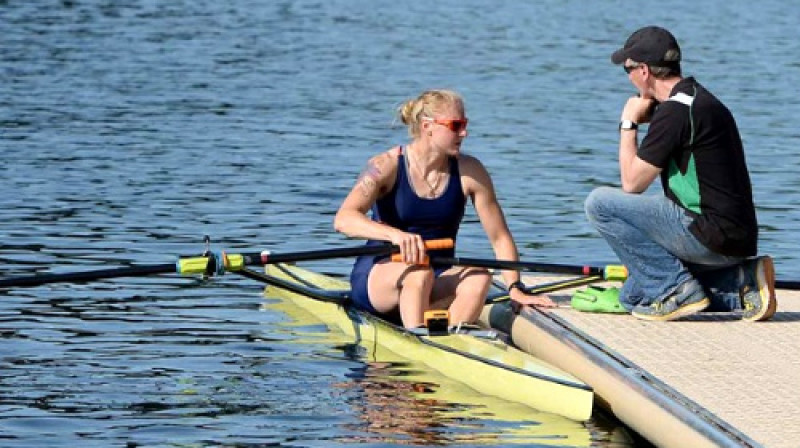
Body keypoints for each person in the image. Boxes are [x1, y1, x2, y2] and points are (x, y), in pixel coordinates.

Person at [584, 26, 777, 321]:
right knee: (633, 295)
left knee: (600, 204)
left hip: (707, 234)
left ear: (644, 71)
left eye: (627, 70)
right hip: (735, 237)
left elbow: (632, 183)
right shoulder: (699, 100)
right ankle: (741, 283)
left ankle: (676, 291)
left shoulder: (675, 111)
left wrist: (628, 123)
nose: (628, 78)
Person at [334, 89, 555, 329]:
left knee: (479, 276)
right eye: (455, 125)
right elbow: (344, 219)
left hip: (436, 273)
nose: (464, 132)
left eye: (465, 124)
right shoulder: (385, 165)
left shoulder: (470, 171)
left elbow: (500, 237)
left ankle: (451, 338)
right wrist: (395, 236)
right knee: (419, 274)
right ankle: (422, 337)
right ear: (428, 126)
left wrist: (515, 287)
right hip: (381, 277)